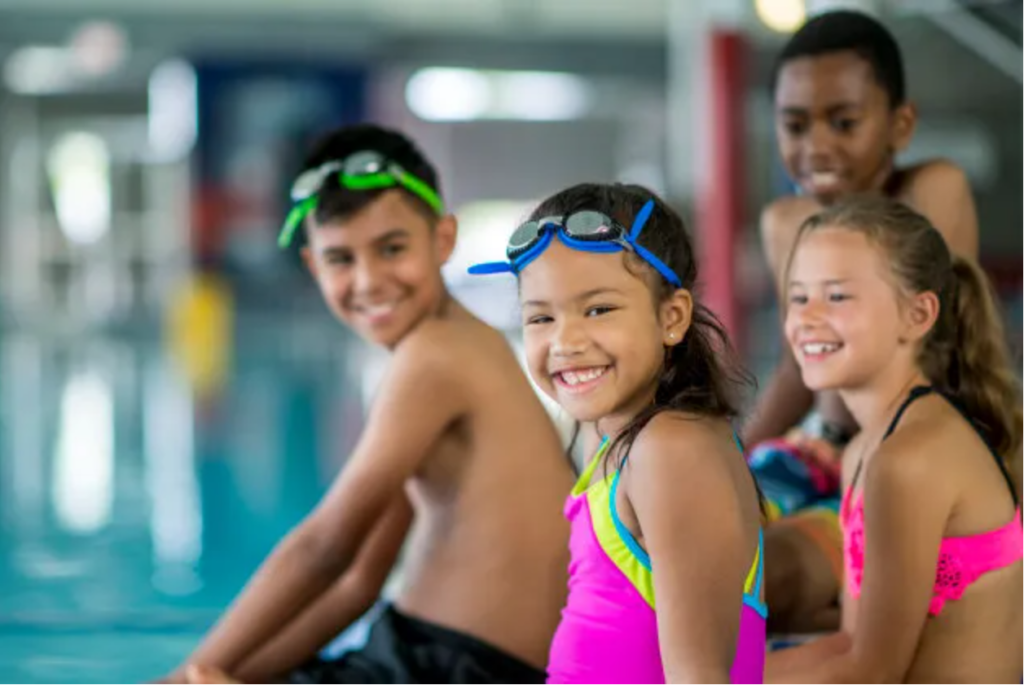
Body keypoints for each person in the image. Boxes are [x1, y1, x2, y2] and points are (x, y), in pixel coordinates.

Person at [164, 123, 574, 684]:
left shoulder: (435, 355)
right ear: (314, 266)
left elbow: (326, 547)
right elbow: (359, 582)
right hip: (423, 657)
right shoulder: (450, 346)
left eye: (392, 248)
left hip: (450, 668)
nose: (369, 280)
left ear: (443, 240)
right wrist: (228, 676)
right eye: (341, 258)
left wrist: (186, 673)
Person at [471, 182, 767, 683]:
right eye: (540, 317)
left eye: (598, 309)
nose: (565, 341)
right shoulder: (612, 437)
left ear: (671, 318)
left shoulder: (672, 450)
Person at [744, 9, 981, 632]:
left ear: (900, 124)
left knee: (765, 577)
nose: (816, 145)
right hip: (818, 447)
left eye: (843, 122)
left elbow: (934, 347)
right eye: (794, 124)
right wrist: (732, 457)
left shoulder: (932, 189)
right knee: (688, 538)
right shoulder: (785, 222)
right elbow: (804, 366)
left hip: (897, 457)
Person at [766, 197, 1022, 682]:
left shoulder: (911, 458)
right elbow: (850, 642)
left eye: (837, 296)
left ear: (918, 315)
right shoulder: (868, 447)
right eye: (798, 297)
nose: (808, 316)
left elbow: (870, 673)